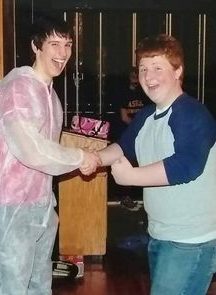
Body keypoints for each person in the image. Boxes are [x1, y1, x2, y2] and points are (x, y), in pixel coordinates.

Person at [81, 34, 216, 295]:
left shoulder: (192, 113)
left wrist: (131, 177)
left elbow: (186, 166)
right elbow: (123, 146)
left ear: (178, 71)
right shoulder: (147, 115)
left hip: (190, 241)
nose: (148, 76)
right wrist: (96, 158)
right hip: (161, 234)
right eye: (143, 69)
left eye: (157, 67)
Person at [0, 17, 100, 295]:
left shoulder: (50, 96)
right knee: (8, 286)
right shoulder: (19, 89)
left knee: (38, 284)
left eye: (67, 45)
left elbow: (47, 153)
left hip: (40, 206)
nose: (63, 53)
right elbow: (31, 149)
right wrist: (80, 157)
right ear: (36, 47)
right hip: (10, 209)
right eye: (54, 44)